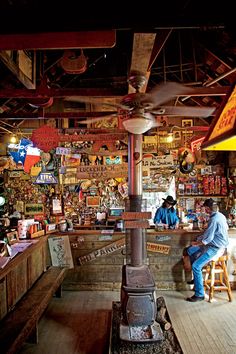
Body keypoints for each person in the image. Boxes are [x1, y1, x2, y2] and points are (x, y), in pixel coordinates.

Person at [185, 198, 229, 302]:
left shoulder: (214, 219)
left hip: (216, 248)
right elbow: (209, 235)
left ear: (208, 209)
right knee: (190, 251)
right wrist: (198, 240)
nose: (204, 209)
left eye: (204, 207)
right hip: (213, 245)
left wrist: (197, 243)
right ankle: (197, 280)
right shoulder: (220, 215)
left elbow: (207, 239)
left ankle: (199, 294)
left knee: (196, 266)